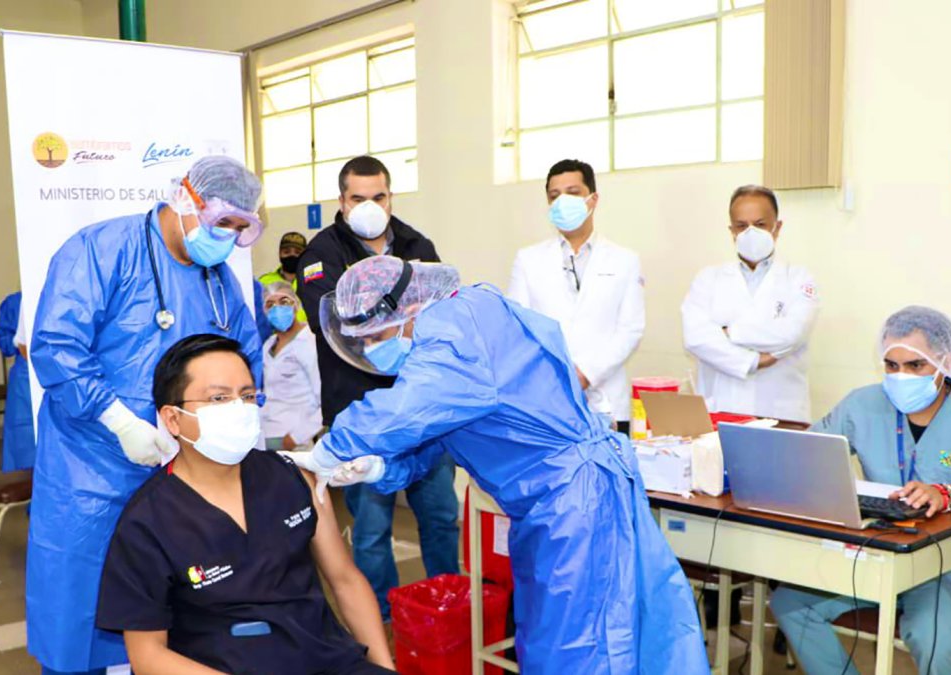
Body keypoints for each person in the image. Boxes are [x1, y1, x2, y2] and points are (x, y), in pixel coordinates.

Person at [285, 256, 710, 673]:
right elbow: (430, 445)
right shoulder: (445, 356)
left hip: (575, 501)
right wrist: (378, 470)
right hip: (555, 506)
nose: (373, 350)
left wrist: (332, 447)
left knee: (582, 647)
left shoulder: (458, 322)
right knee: (561, 635)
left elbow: (407, 408)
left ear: (408, 308)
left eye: (376, 336)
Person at [27, 155, 266, 675]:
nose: (225, 237)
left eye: (238, 228)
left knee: (174, 616)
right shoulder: (101, 250)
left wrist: (243, 422)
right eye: (220, 222)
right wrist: (118, 420)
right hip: (90, 472)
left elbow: (247, 362)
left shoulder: (219, 282)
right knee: (86, 615)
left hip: (182, 480)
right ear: (185, 198)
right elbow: (56, 346)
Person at [97, 334, 393, 675]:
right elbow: (148, 656)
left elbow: (345, 580)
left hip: (323, 659)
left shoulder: (292, 478)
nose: (238, 409)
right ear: (173, 419)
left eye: (248, 396)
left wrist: (384, 667)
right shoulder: (146, 523)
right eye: (219, 398)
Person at [770, 306, 951, 674]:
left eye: (915, 366)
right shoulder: (862, 405)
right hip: (874, 551)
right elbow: (806, 455)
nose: (901, 376)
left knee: (932, 636)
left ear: (947, 363)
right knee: (790, 605)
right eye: (891, 366)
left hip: (949, 563)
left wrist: (949, 494)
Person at [295, 154, 459, 623]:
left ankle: (447, 610)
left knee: (441, 517)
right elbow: (336, 322)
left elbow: (440, 313)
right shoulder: (321, 254)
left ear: (391, 197)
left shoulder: (416, 244)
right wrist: (396, 319)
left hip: (422, 412)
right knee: (370, 529)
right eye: (358, 198)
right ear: (342, 201)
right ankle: (384, 623)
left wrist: (389, 321)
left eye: (379, 197)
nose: (370, 206)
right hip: (360, 413)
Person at [507, 159, 644, 435]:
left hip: (607, 402)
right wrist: (559, 376)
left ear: (592, 199)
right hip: (546, 400)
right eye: (554, 196)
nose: (562, 202)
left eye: (572, 193)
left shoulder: (625, 260)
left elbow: (630, 329)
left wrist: (586, 374)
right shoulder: (528, 260)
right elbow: (517, 327)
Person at [681, 185, 819, 422]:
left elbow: (791, 333)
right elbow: (696, 338)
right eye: (741, 226)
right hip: (721, 408)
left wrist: (728, 332)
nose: (750, 233)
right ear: (731, 230)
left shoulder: (798, 278)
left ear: (777, 227)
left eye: (760, 224)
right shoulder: (708, 279)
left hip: (781, 413)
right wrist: (754, 360)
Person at [260, 281, 322, 451]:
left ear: (296, 304)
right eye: (270, 304)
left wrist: (295, 438)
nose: (277, 308)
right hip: (267, 436)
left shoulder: (310, 342)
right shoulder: (269, 345)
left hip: (295, 441)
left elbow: (326, 401)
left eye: (284, 302)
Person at [0, 291, 36, 471]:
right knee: (23, 440)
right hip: (25, 379)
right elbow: (5, 346)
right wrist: (18, 341)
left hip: (56, 374)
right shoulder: (14, 302)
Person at [258, 231, 309, 325]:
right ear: (279, 254)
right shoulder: (264, 281)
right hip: (273, 335)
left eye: (297, 252)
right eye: (286, 252)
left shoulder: (311, 281)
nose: (292, 255)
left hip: (307, 335)